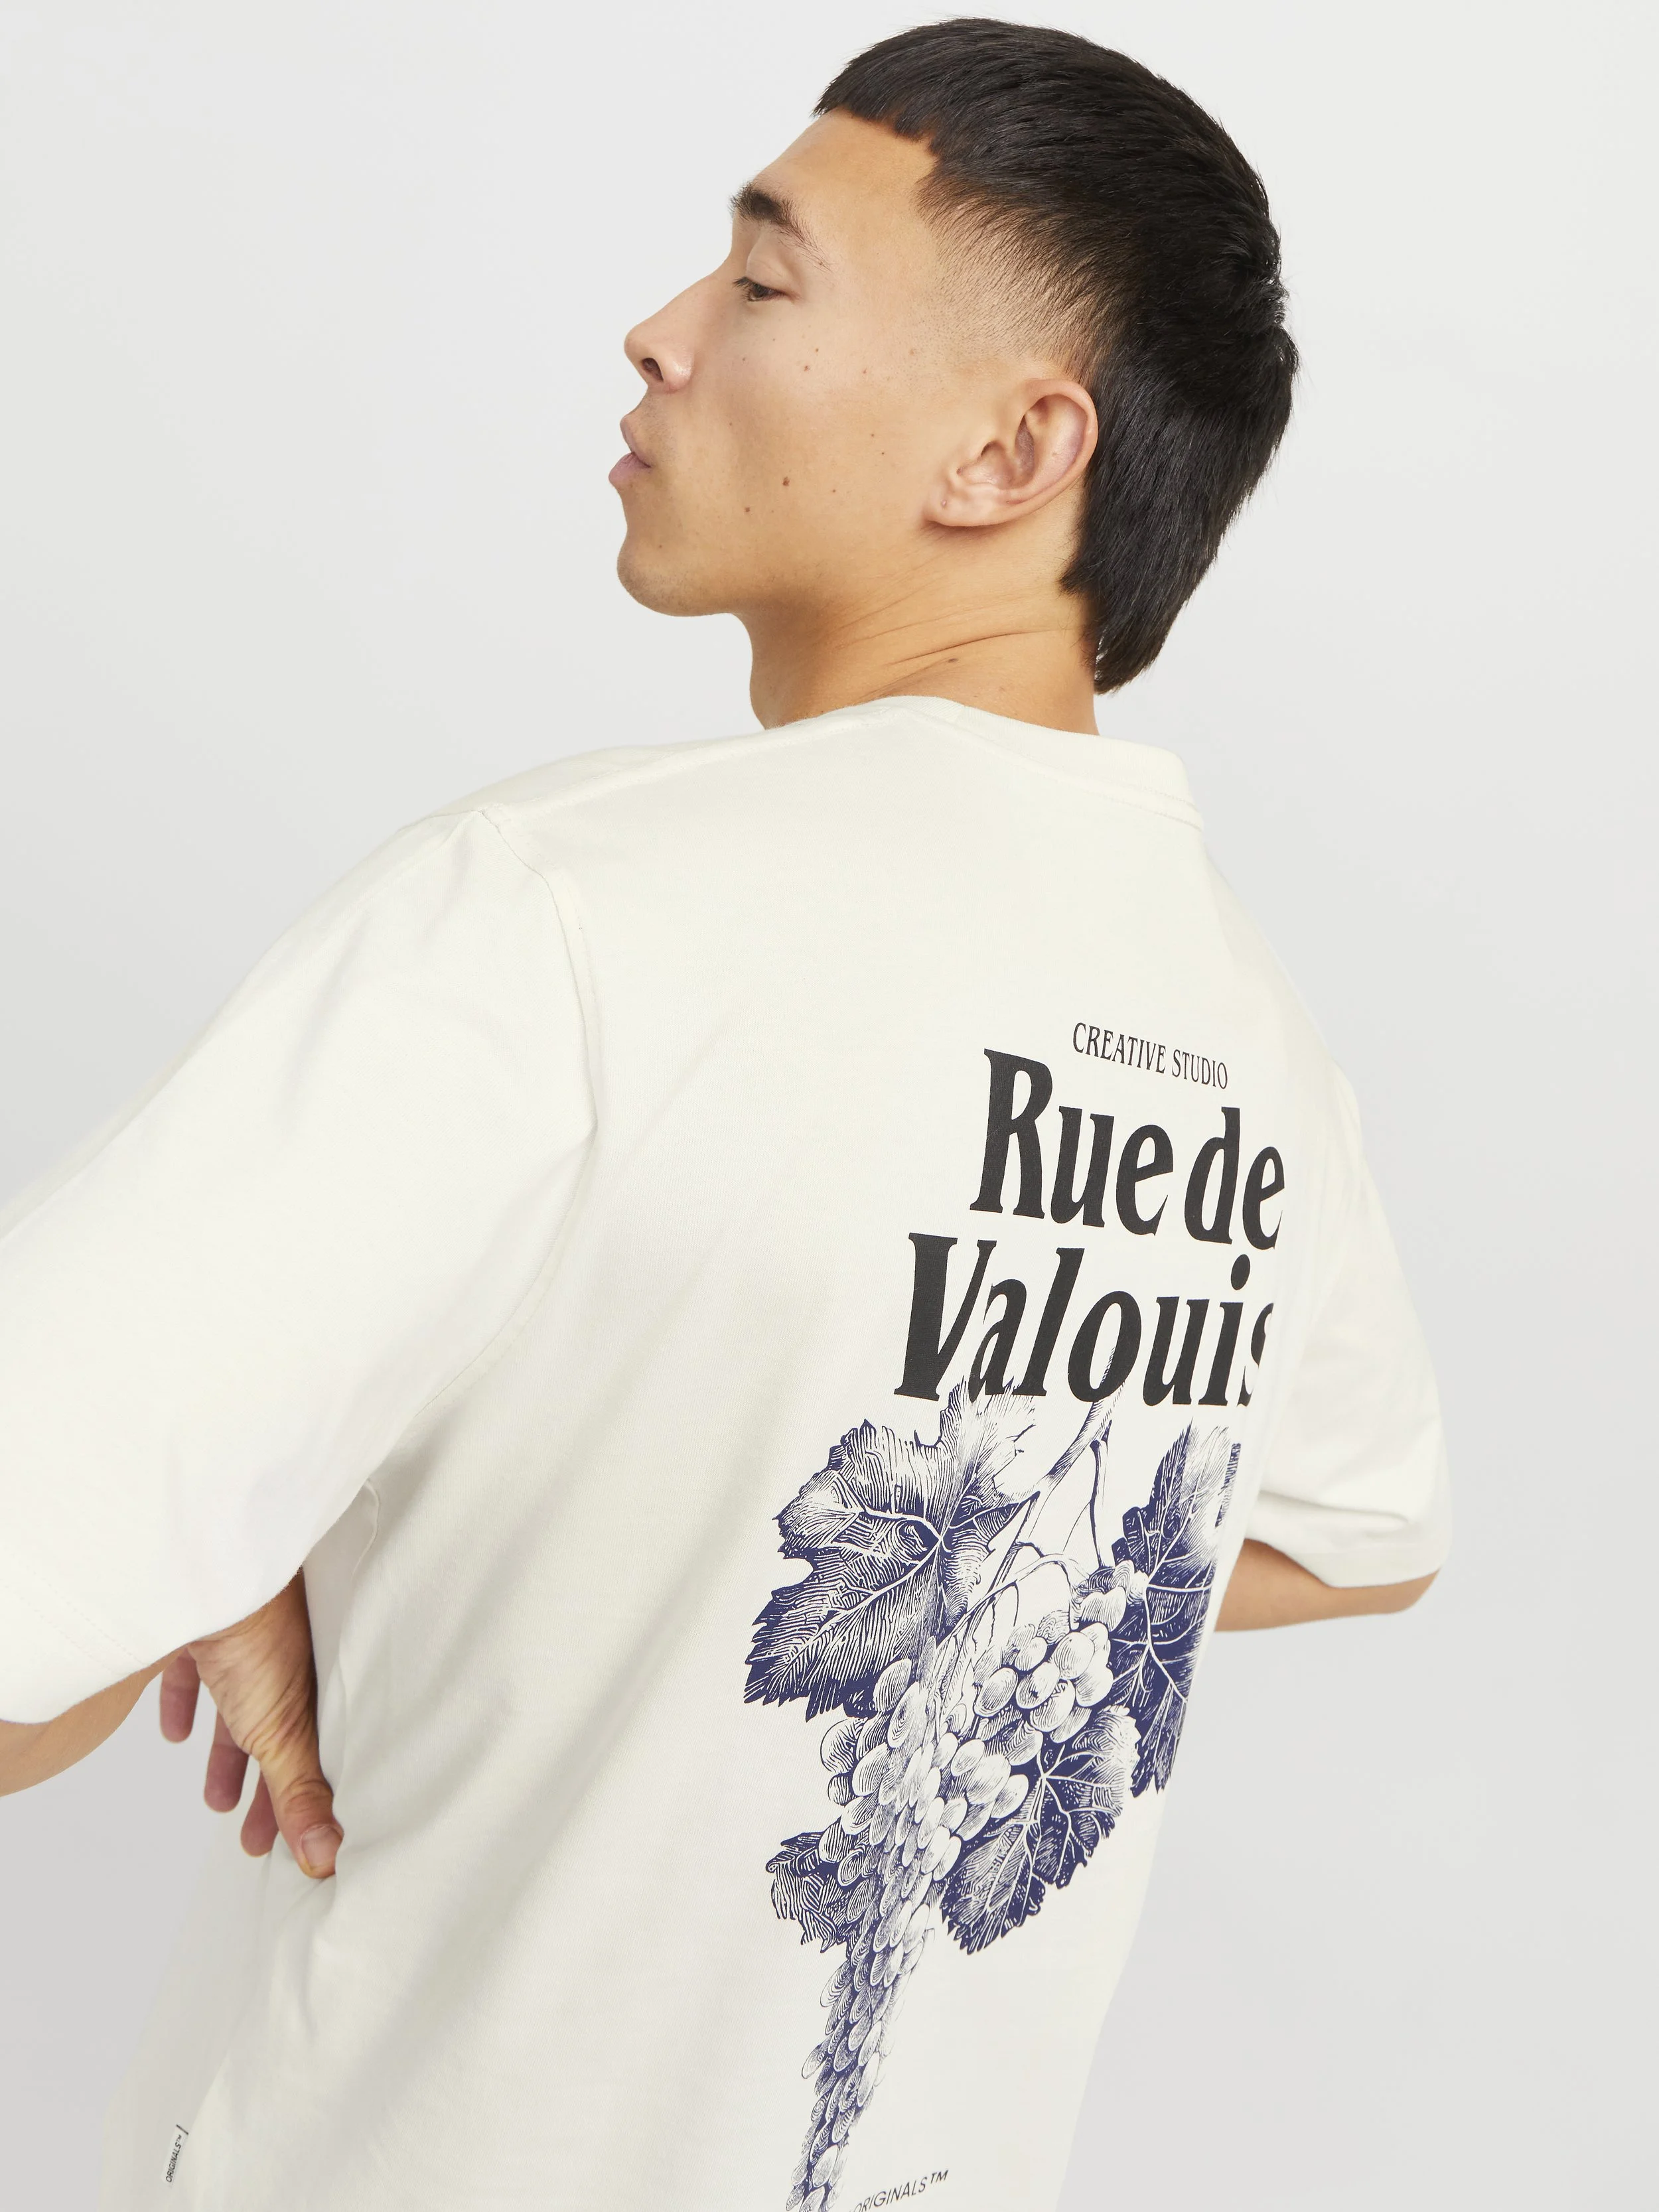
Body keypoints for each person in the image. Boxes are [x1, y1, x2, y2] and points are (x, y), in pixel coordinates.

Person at [0, 20, 1450, 2211]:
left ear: (1011, 448)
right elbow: (1351, 1528)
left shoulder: (560, 911)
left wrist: (224, 1515)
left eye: (762, 280)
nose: (659, 330)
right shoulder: (1245, 1031)